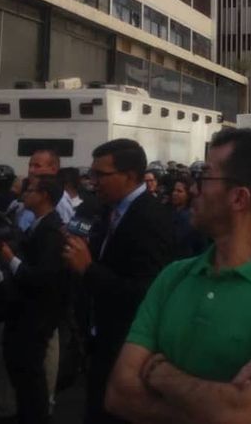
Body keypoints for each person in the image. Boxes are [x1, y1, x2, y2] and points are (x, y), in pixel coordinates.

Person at [104, 128, 251, 424]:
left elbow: (242, 413)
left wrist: (163, 375)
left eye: (205, 178)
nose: (193, 189)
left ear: (239, 198)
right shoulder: (173, 276)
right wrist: (219, 403)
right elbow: (119, 394)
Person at [61, 139, 174, 424]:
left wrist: (89, 269)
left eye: (101, 174)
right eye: (92, 173)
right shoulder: (105, 211)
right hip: (100, 341)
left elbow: (147, 292)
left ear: (130, 175)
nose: (93, 181)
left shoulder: (150, 218)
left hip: (129, 349)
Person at [0, 175, 68, 424]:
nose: (25, 194)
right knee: (20, 371)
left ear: (45, 196)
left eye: (31, 190)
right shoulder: (38, 224)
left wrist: (9, 258)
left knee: (31, 374)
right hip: (23, 311)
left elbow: (40, 277)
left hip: (36, 316)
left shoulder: (52, 231)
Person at [28, 149, 74, 224]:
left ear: (53, 169)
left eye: (37, 166)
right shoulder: (28, 191)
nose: (31, 170)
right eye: (30, 165)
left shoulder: (60, 200)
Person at [170, 176, 207, 259]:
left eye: (179, 191)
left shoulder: (188, 217)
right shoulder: (174, 212)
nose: (174, 193)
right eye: (174, 190)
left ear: (188, 195)